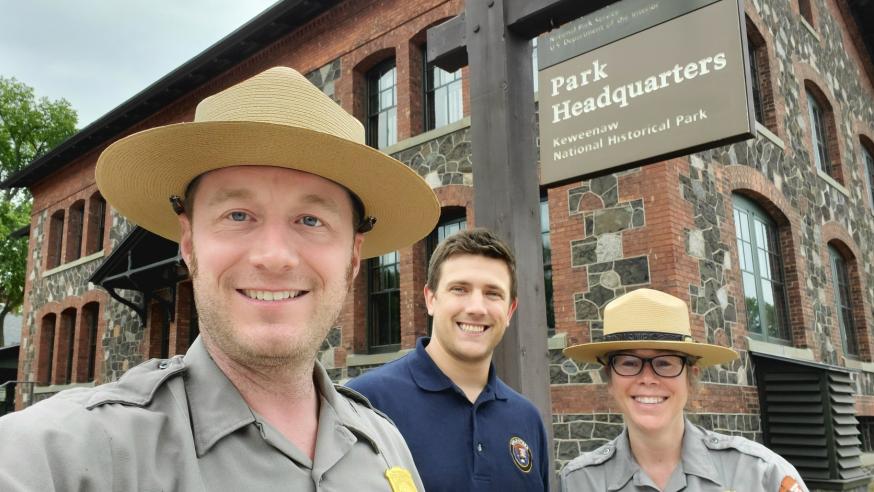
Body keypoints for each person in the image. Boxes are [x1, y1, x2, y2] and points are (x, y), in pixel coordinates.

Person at [0, 67, 440, 491]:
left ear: (353, 255)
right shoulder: (71, 455)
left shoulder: (386, 447)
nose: (274, 256)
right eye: (237, 215)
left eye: (310, 219)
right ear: (188, 242)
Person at [347, 228, 550, 491]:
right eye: (459, 289)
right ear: (431, 299)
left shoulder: (527, 419)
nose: (476, 308)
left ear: (510, 310)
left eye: (493, 293)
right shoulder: (366, 403)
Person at [559, 288, 808, 492]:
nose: (647, 378)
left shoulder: (760, 476)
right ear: (610, 379)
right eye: (629, 363)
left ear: (691, 377)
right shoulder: (578, 483)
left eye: (665, 363)